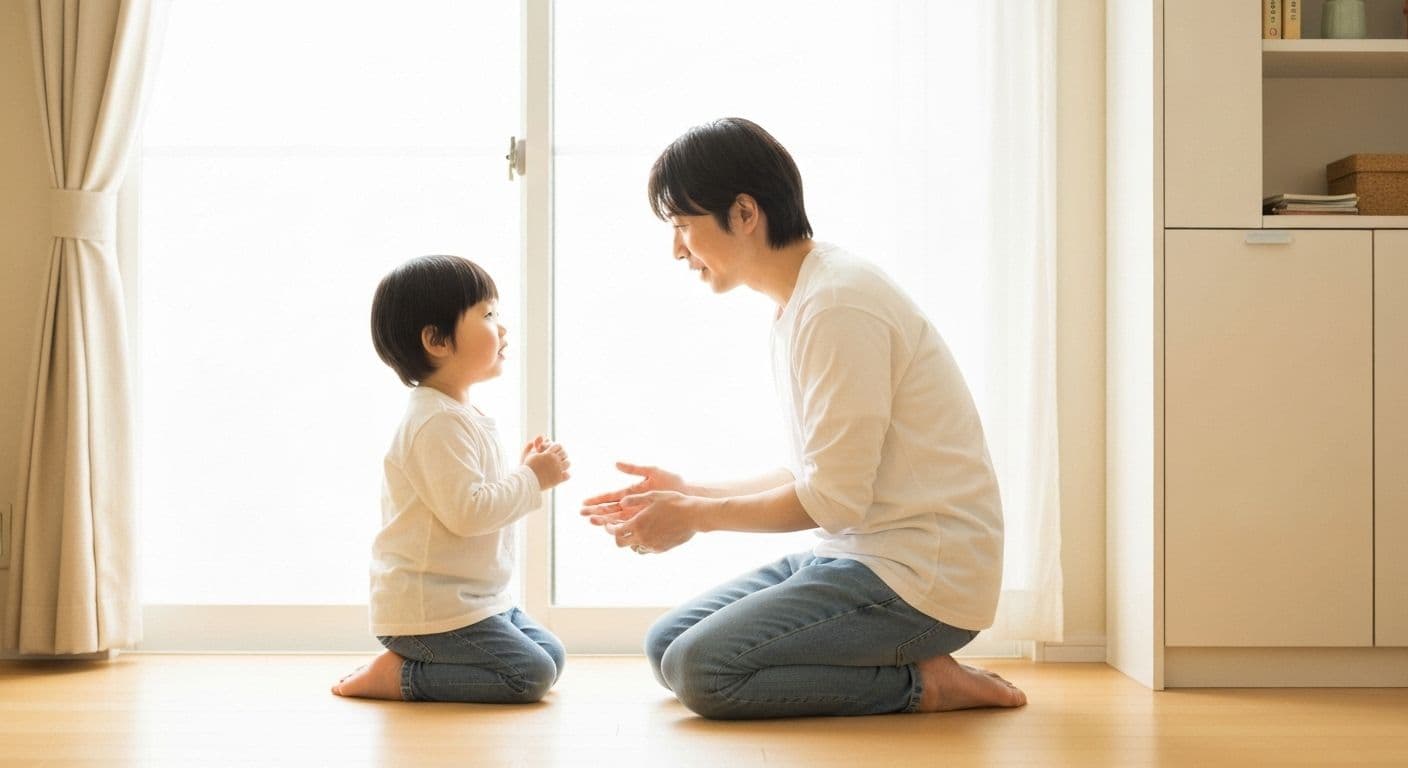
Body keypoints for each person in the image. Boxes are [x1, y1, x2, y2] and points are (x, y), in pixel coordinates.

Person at [580, 118, 1027, 720]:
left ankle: (925, 685)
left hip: (919, 579)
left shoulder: (838, 305)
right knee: (667, 646)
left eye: (683, 224)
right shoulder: (802, 301)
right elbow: (814, 475)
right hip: (854, 556)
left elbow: (833, 500)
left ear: (744, 213)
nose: (677, 249)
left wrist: (696, 517)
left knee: (700, 670)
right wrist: (690, 491)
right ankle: (903, 669)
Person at [333, 255, 570, 703]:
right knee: (530, 676)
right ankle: (400, 677)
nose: (503, 328)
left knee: (551, 656)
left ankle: (412, 668)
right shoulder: (435, 422)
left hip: (472, 602)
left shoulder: (458, 414)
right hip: (430, 611)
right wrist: (531, 479)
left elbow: (475, 496)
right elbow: (468, 513)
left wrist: (523, 473)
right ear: (437, 340)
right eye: (488, 314)